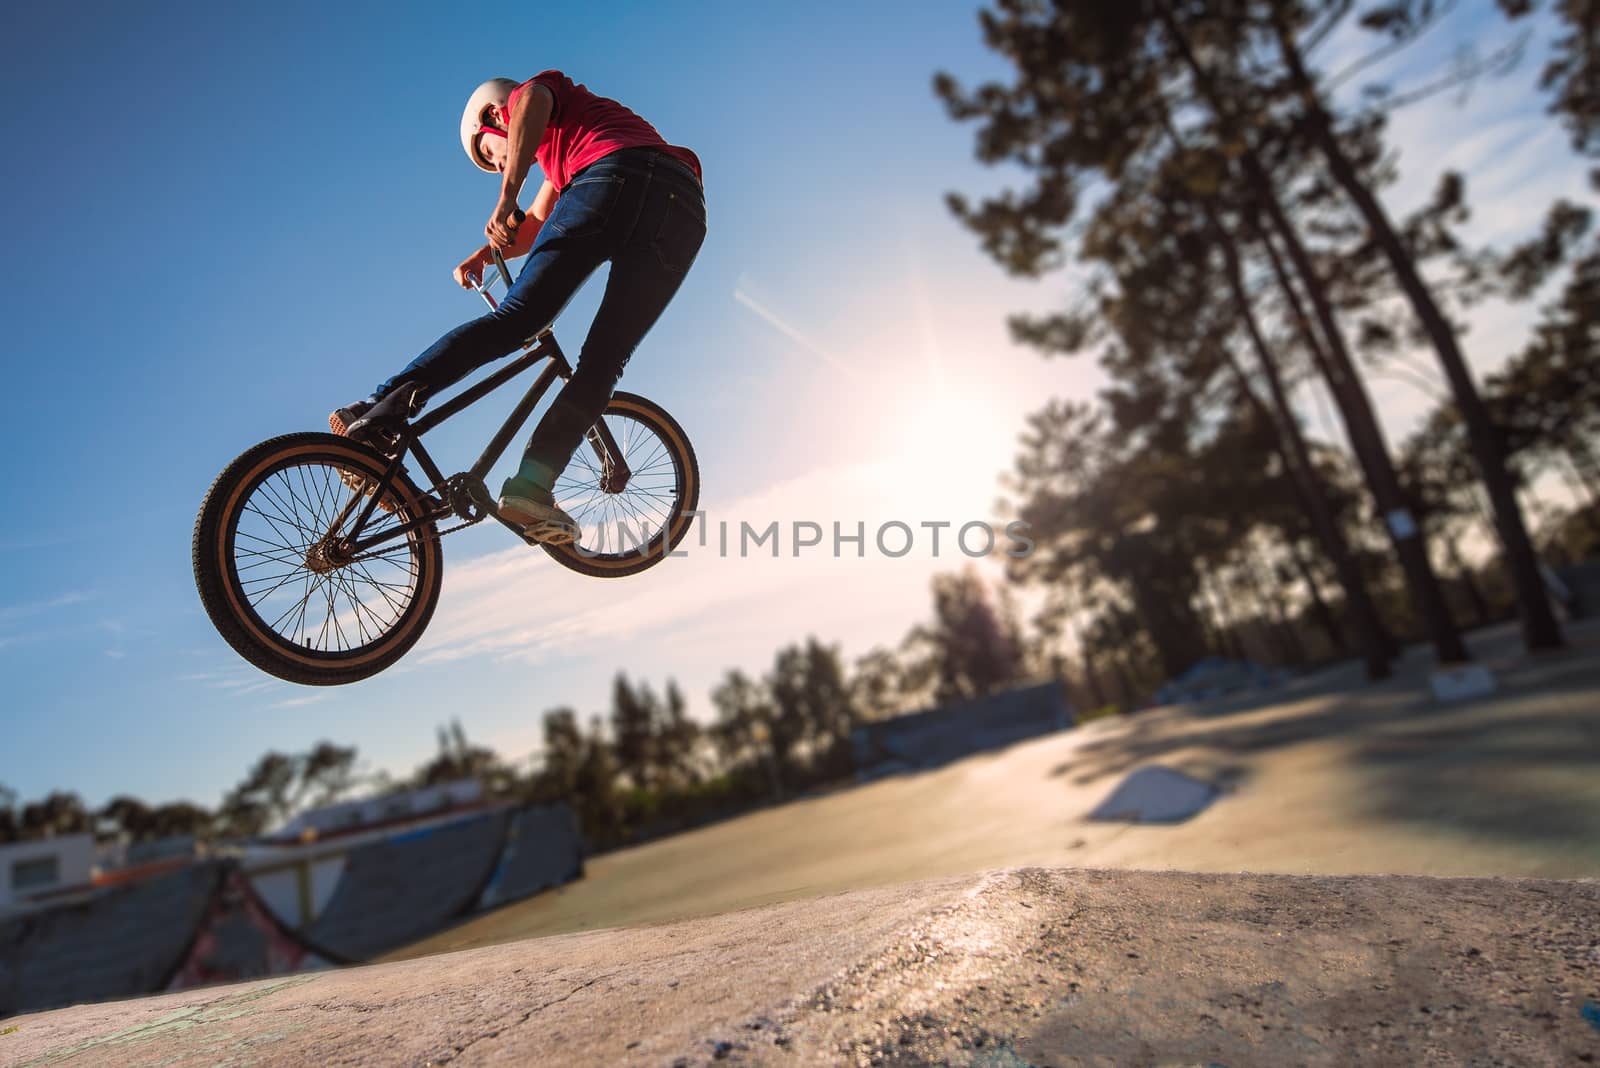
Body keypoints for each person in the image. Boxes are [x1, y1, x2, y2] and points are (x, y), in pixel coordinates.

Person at [331, 72, 707, 544]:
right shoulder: (568, 149)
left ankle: (377, 412)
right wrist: (485, 254)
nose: (500, 164)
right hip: (681, 207)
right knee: (603, 364)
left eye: (492, 155)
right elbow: (534, 223)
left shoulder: (535, 95)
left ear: (494, 116)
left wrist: (507, 191)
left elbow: (531, 104)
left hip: (612, 176)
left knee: (517, 321)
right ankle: (531, 488)